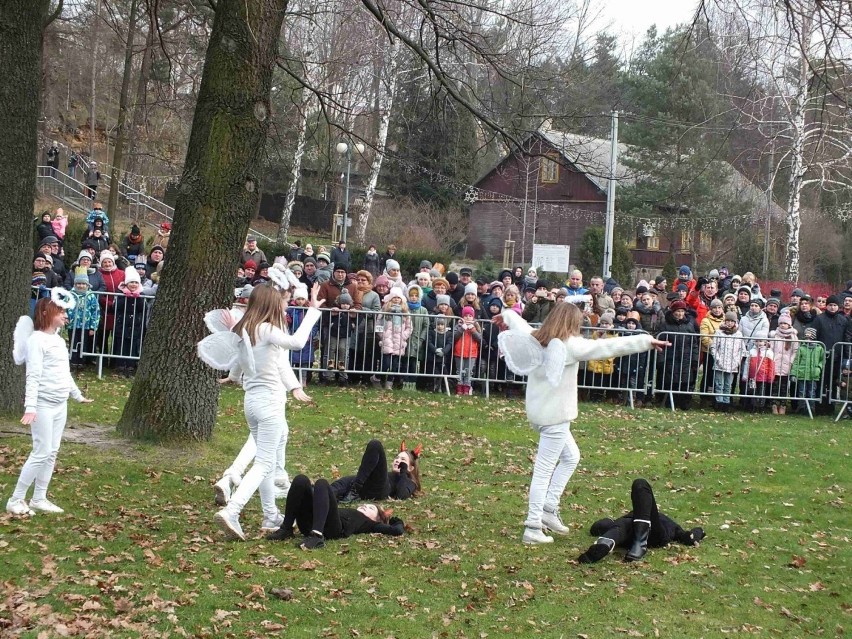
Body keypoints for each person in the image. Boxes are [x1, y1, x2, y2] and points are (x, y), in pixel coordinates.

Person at [498, 303, 668, 544]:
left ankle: (548, 508)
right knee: (543, 471)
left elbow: (520, 324)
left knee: (571, 457)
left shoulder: (536, 339)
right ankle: (533, 526)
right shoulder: (571, 345)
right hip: (555, 419)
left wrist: (506, 315)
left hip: (541, 415)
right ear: (572, 323)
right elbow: (607, 346)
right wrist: (645, 341)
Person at [204, 283, 323, 540]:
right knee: (264, 463)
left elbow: (239, 359)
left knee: (266, 462)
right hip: (269, 403)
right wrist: (313, 311)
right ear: (271, 304)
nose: (285, 304)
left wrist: (232, 377)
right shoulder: (268, 329)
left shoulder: (244, 329)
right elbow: (297, 342)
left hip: (252, 403)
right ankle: (232, 510)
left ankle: (271, 515)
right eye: (281, 301)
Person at [6, 291, 94, 515]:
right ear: (46, 312)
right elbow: (33, 375)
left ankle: (39, 497)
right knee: (41, 451)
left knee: (52, 451)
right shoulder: (37, 340)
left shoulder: (57, 339)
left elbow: (64, 373)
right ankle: (16, 499)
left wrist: (76, 395)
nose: (65, 316)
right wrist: (31, 407)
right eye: (61, 311)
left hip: (59, 403)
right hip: (43, 404)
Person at [577, 479, 705, 564]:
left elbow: (597, 527)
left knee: (620, 527)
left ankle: (606, 541)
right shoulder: (667, 523)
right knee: (640, 484)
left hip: (638, 534)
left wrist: (697, 533)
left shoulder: (623, 520)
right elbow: (688, 537)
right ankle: (635, 543)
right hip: (650, 537)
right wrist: (698, 532)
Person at [265, 475, 405, 548]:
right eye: (366, 505)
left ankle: (317, 537)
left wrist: (394, 520)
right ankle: (286, 528)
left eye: (371, 508)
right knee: (301, 480)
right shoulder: (349, 509)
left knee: (322, 483)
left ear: (376, 519)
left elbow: (397, 531)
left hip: (332, 529)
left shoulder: (370, 524)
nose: (365, 507)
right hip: (310, 522)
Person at [333, 440, 422, 503]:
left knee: (375, 445)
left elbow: (401, 495)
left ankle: (355, 489)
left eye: (403, 459)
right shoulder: (387, 474)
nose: (398, 460)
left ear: (411, 468)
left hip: (380, 489)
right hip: (362, 483)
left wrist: (403, 470)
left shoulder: (410, 482)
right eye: (397, 458)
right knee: (330, 488)